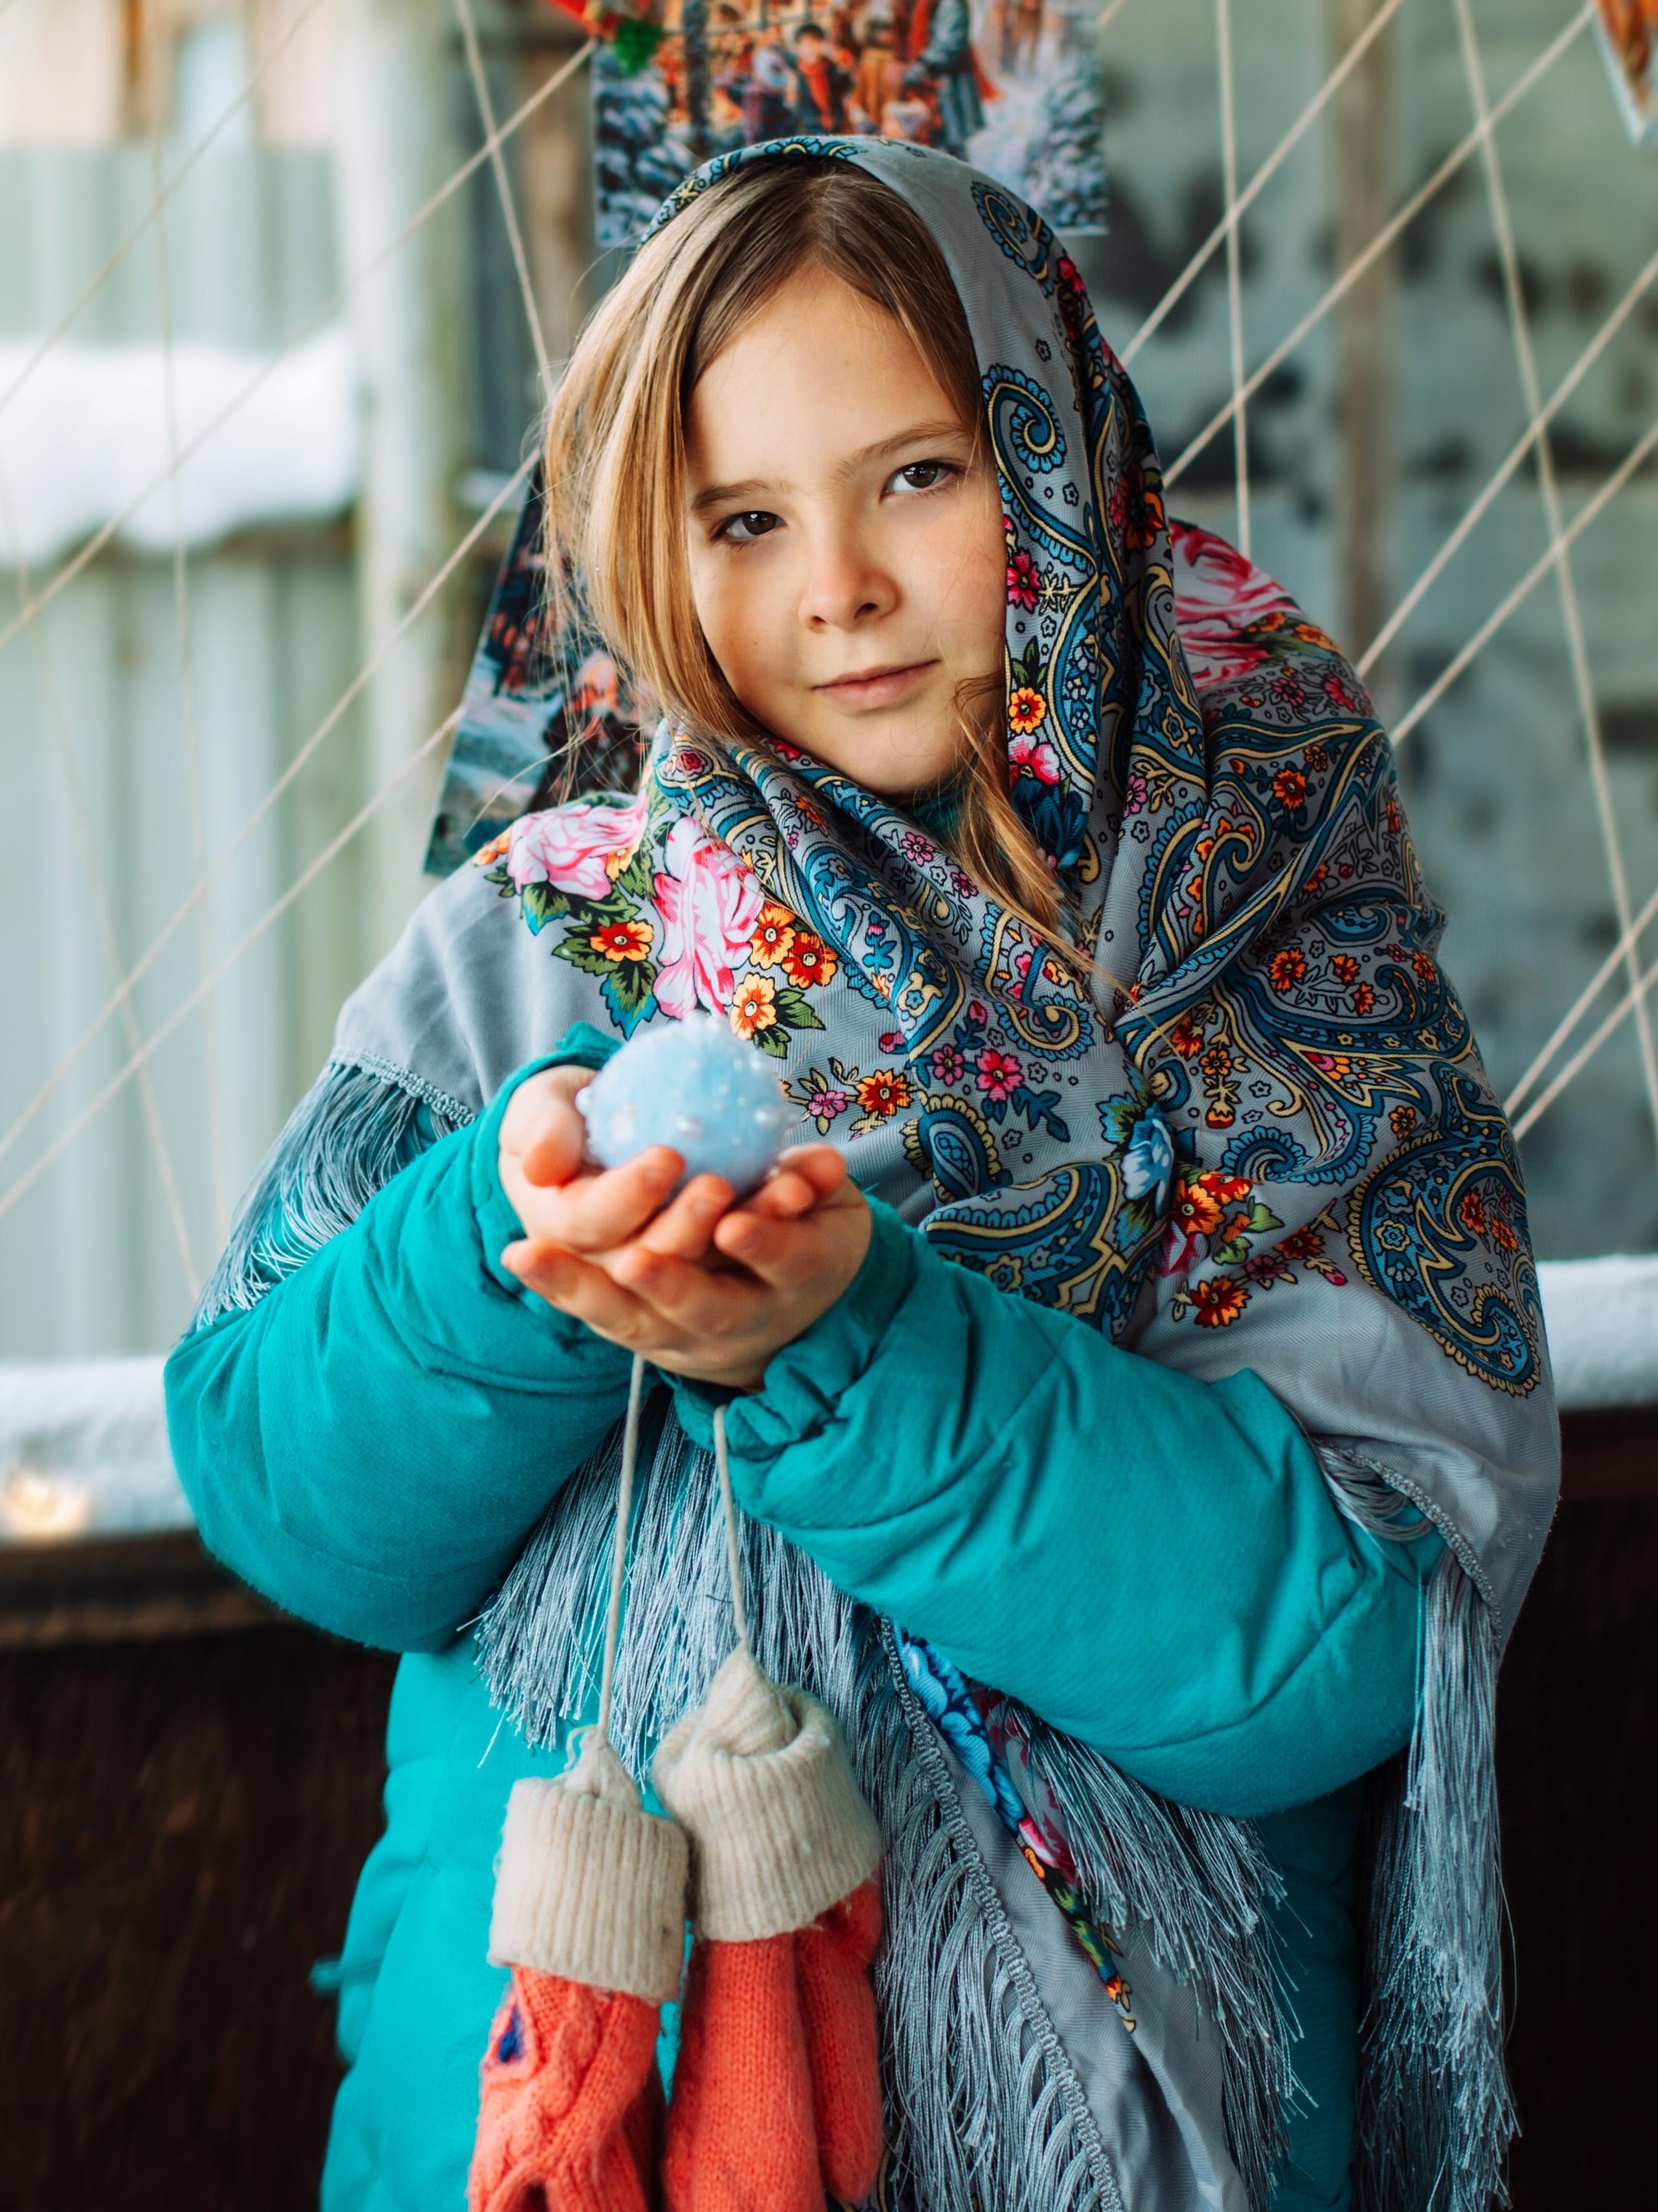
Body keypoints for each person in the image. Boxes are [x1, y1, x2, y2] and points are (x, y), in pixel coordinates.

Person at [165, 144, 1558, 2212]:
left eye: (915, 475)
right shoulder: (545, 936)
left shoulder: (1273, 938)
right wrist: (511, 1251)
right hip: (559, 2107)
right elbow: (287, 1483)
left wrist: (852, 1341)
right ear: (651, 541)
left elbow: (1354, 1625)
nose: (835, 583)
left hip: (1099, 2132)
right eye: (742, 516)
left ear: (1060, 455)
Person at [792, 20, 855, 133]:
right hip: (810, 128)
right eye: (805, 45)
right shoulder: (799, 72)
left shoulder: (830, 68)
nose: (810, 49)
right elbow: (798, 107)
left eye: (814, 43)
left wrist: (832, 53)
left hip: (836, 125)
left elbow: (847, 78)